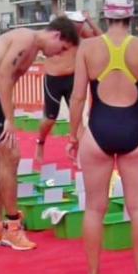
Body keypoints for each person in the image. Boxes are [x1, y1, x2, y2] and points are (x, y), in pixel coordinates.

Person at [67, 0, 138, 274]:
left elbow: (77, 97)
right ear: (131, 14)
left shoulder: (88, 48)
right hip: (134, 130)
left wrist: (73, 135)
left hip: (99, 130)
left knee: (94, 209)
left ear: (105, 14)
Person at [0, 16, 80, 251]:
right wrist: (9, 119)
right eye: (61, 49)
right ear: (56, 35)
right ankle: (13, 225)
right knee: (12, 155)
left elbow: (7, 79)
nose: (58, 55)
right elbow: (3, 76)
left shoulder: (32, 47)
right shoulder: (27, 39)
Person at [35, 11, 102, 163]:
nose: (79, 30)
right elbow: (38, 42)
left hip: (72, 78)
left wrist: (90, 20)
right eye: (77, 26)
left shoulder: (80, 32)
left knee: (77, 121)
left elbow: (102, 40)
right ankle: (40, 142)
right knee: (49, 119)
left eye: (80, 26)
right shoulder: (55, 33)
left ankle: (80, 156)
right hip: (53, 79)